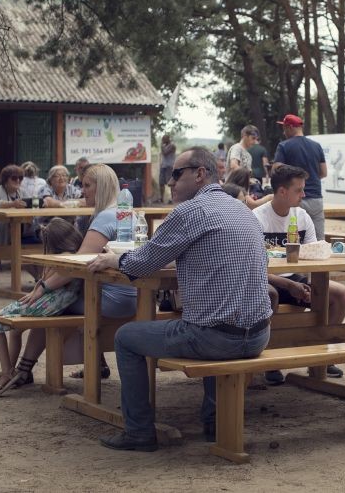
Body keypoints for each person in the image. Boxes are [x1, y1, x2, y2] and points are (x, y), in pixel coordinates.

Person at [87, 147, 272, 451]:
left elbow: (141, 263)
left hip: (216, 339)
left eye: (176, 174)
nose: (170, 181)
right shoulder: (242, 210)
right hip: (258, 336)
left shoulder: (189, 212)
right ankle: (214, 422)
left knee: (126, 337)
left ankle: (138, 432)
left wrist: (113, 259)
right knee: (215, 321)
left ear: (200, 174)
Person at [0, 164, 138, 393]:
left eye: (87, 186)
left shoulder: (105, 217)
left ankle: (22, 370)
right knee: (57, 300)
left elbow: (77, 265)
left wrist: (42, 287)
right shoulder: (128, 213)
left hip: (110, 300)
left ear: (101, 187)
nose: (82, 191)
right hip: (134, 297)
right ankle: (26, 368)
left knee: (50, 305)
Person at [253, 164, 345, 383]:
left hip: (295, 279)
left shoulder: (302, 216)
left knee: (341, 295)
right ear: (282, 191)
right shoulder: (257, 218)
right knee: (269, 295)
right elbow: (254, 268)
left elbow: (314, 255)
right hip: (267, 281)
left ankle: (321, 355)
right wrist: (290, 286)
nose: (304, 195)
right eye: (299, 190)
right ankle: (270, 361)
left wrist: (310, 286)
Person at [0, 218, 84, 395]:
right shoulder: (77, 254)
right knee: (14, 330)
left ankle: (7, 372)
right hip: (54, 304)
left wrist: (42, 279)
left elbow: (44, 281)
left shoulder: (62, 258)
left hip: (47, 304)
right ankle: (11, 371)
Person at [274, 114, 327, 241]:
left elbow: (276, 170)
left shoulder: (284, 146)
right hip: (316, 199)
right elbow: (324, 172)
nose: (284, 132)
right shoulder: (316, 146)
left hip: (294, 198)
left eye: (284, 128)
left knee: (294, 239)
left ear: (290, 127)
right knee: (318, 241)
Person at [157, 134, 176, 204]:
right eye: (162, 139)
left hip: (169, 166)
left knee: (170, 183)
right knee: (161, 183)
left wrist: (161, 146)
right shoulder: (164, 146)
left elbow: (165, 153)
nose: (162, 140)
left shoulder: (172, 146)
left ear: (168, 139)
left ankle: (173, 199)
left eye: (164, 139)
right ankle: (161, 198)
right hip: (163, 166)